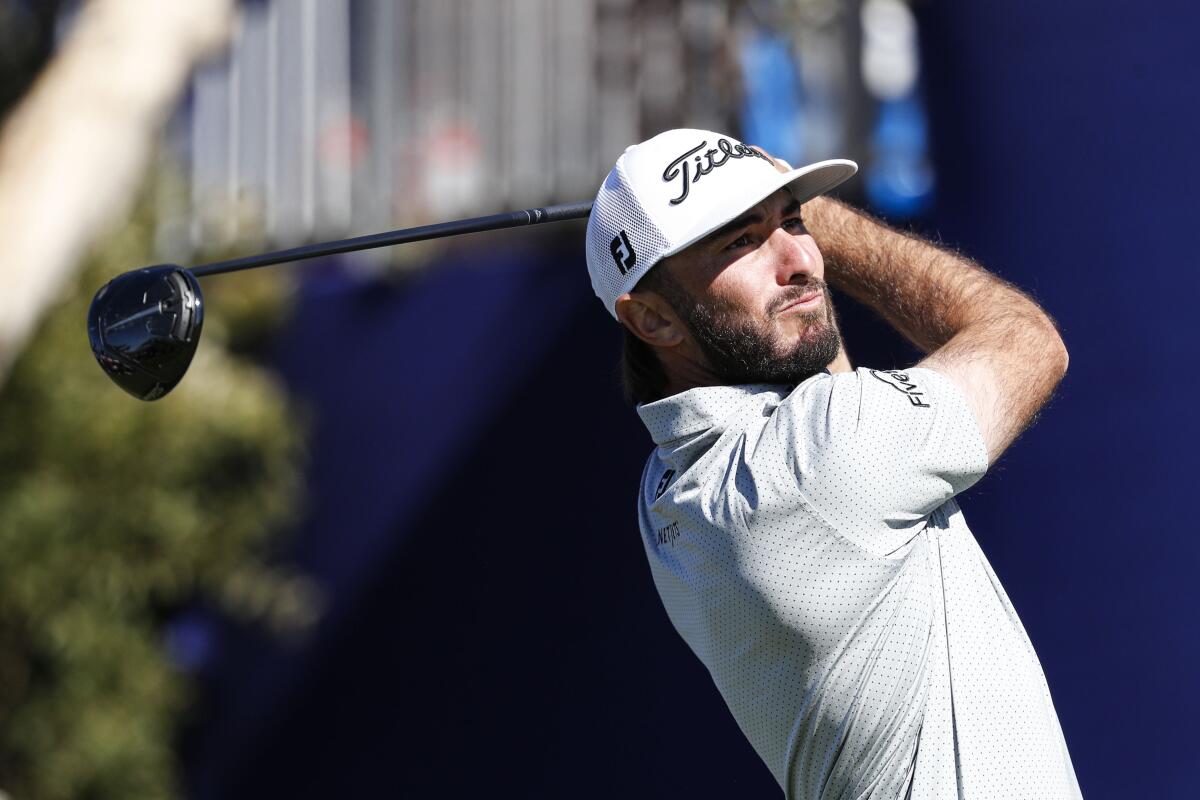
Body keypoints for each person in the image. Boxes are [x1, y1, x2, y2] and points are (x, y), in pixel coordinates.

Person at [584, 128, 1082, 799]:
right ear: (653, 320)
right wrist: (832, 223)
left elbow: (821, 372)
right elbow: (1029, 343)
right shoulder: (820, 456)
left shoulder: (667, 490)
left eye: (792, 223)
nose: (798, 260)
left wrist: (778, 228)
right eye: (742, 241)